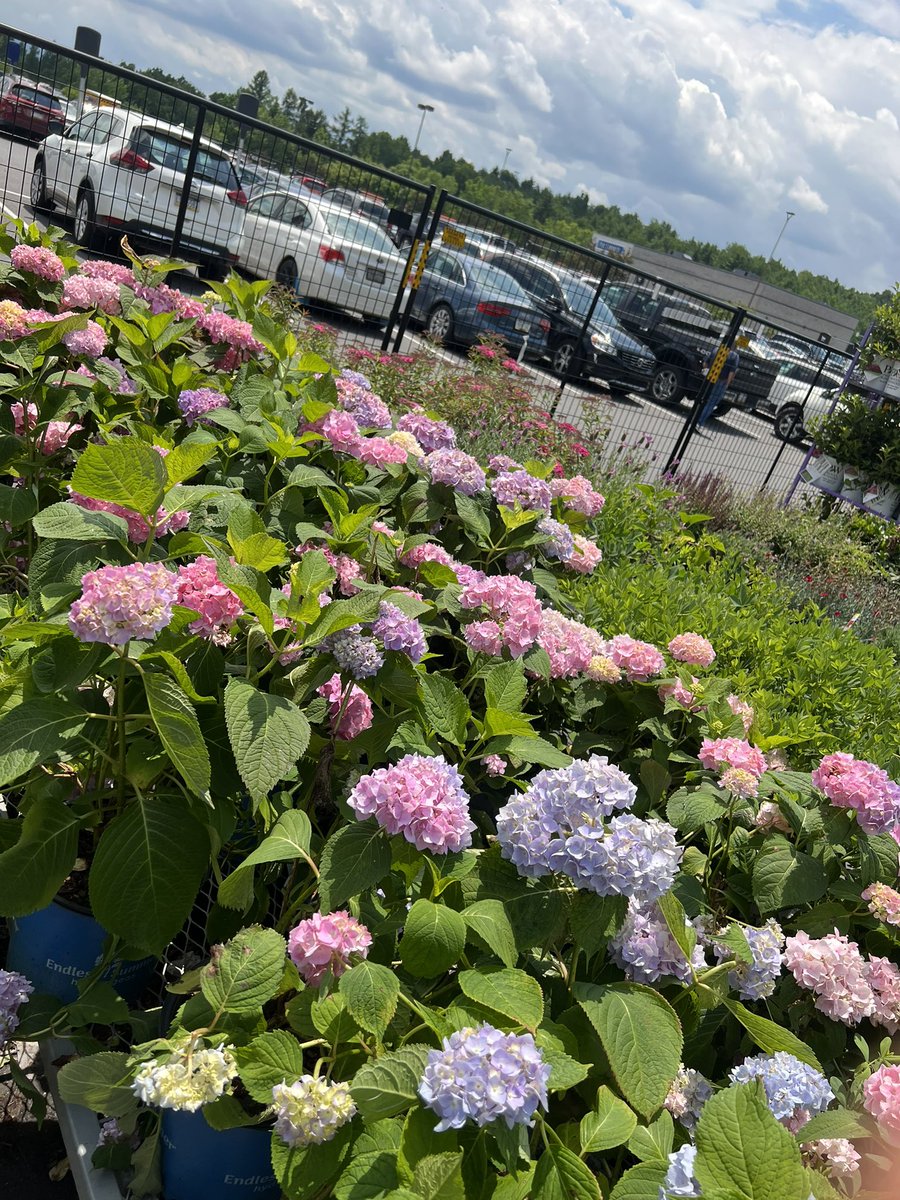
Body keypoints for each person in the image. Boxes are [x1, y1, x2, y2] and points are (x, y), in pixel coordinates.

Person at [697, 345, 739, 429]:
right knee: (711, 403)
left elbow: (705, 363)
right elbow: (732, 371)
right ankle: (699, 422)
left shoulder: (716, 349)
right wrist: (727, 383)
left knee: (703, 399)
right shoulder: (734, 356)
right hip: (721, 381)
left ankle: (694, 418)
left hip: (710, 377)